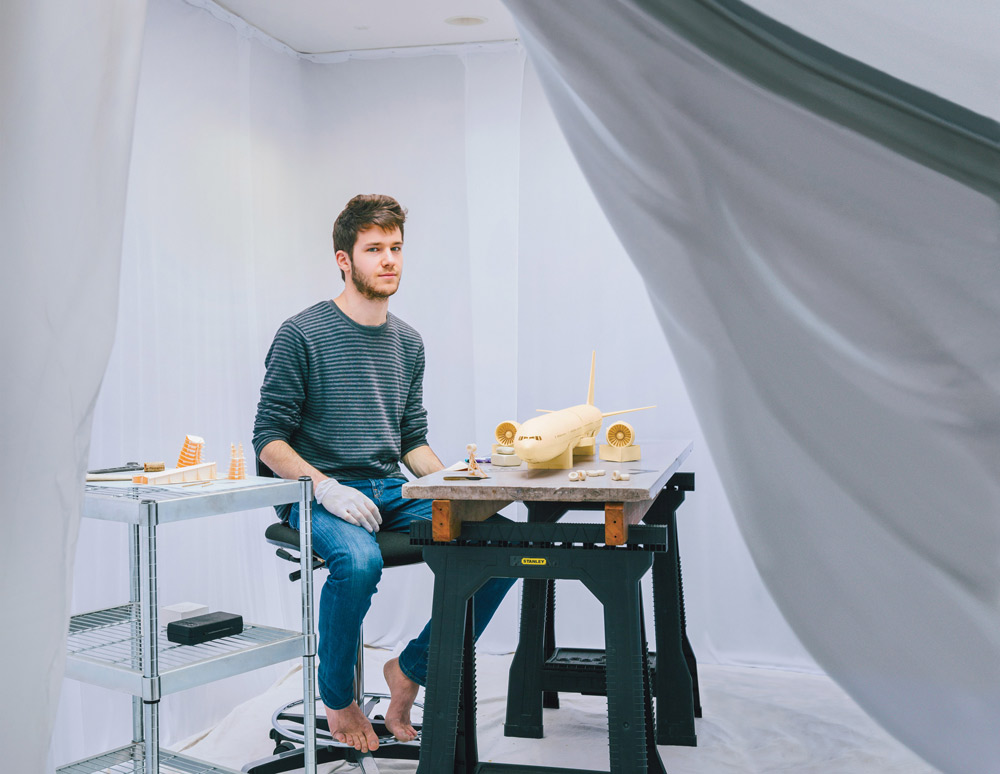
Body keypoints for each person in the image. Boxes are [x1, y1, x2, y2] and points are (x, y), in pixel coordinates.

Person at [252, 194, 514, 753]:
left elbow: (411, 441)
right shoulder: (300, 334)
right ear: (344, 260)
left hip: (389, 489)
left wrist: (457, 486)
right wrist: (324, 486)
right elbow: (268, 440)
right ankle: (340, 700)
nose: (389, 260)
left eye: (395, 248)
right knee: (358, 558)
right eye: (374, 249)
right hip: (312, 491)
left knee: (504, 540)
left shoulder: (409, 342)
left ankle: (411, 670)